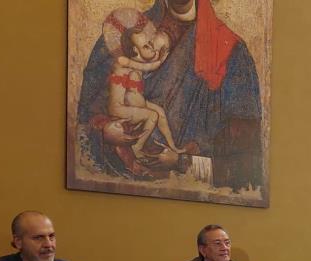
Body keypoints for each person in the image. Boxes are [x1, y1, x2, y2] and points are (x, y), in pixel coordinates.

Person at [78, 0, 264, 191]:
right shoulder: (126, 34)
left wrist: (183, 162)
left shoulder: (233, 52)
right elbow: (84, 120)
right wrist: (104, 131)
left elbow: (247, 166)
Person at [108, 19, 184, 161]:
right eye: (146, 46)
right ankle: (137, 148)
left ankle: (173, 146)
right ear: (136, 50)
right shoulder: (123, 62)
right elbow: (149, 66)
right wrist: (160, 58)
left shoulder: (137, 61)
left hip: (134, 104)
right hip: (119, 108)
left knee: (160, 112)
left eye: (150, 44)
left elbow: (149, 63)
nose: (152, 49)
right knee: (152, 116)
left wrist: (160, 56)